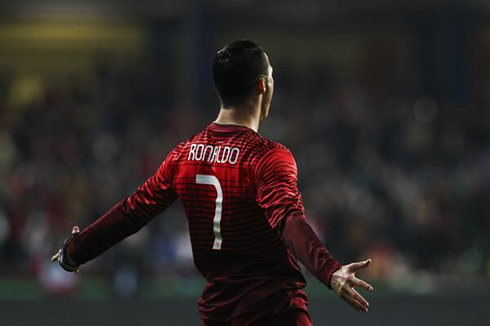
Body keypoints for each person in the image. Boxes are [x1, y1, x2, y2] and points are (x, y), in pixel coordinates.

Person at [52, 40, 373, 325]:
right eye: (272, 76)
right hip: (275, 312)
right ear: (262, 86)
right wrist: (330, 271)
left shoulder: (183, 156)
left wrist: (74, 252)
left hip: (219, 314)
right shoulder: (267, 156)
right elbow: (288, 220)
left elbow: (130, 212)